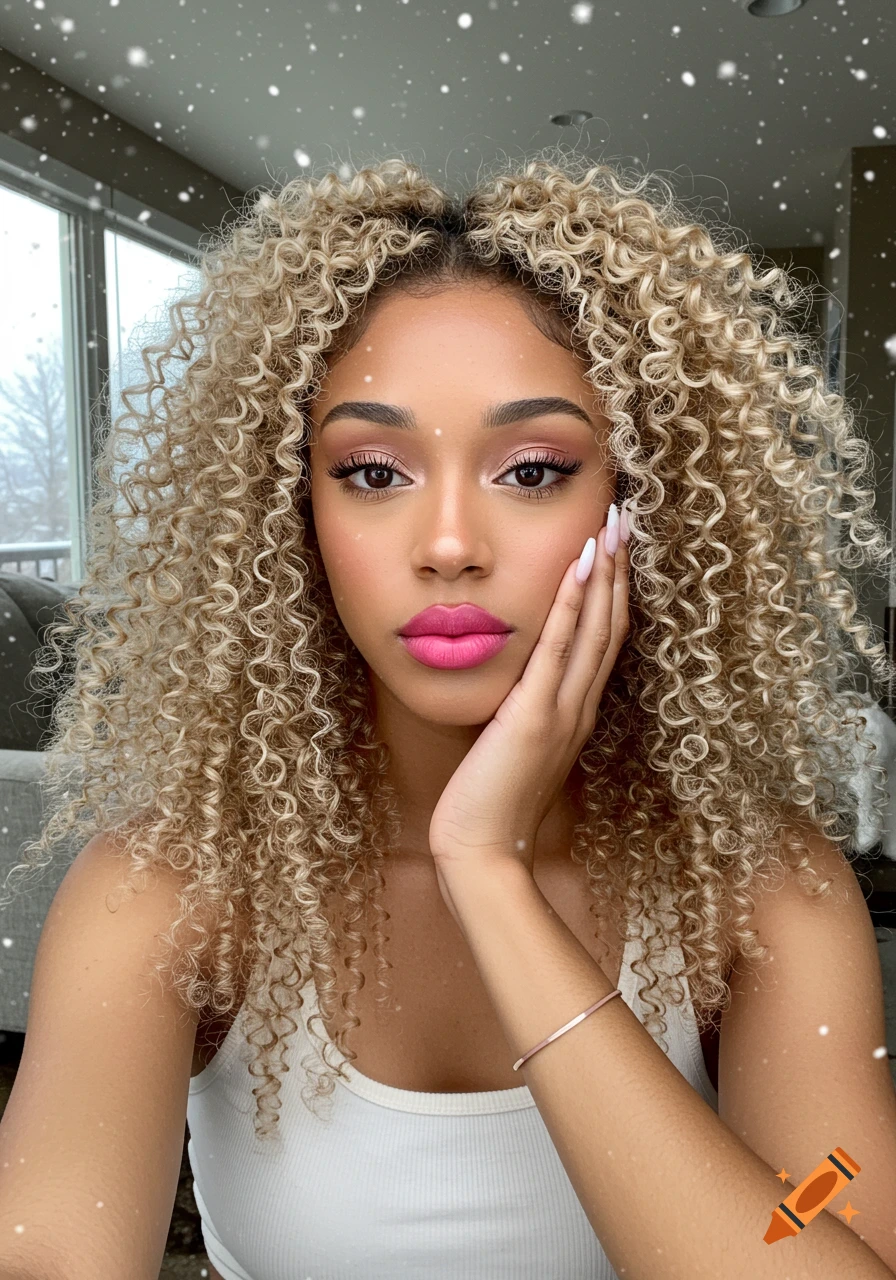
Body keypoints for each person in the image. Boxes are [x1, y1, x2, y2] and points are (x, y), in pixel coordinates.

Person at [1, 151, 895, 1280]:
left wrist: (489, 871)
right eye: (373, 471)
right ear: (294, 513)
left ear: (638, 501)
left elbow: (812, 1234)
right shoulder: (169, 890)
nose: (448, 543)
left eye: (530, 468)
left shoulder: (768, 894)